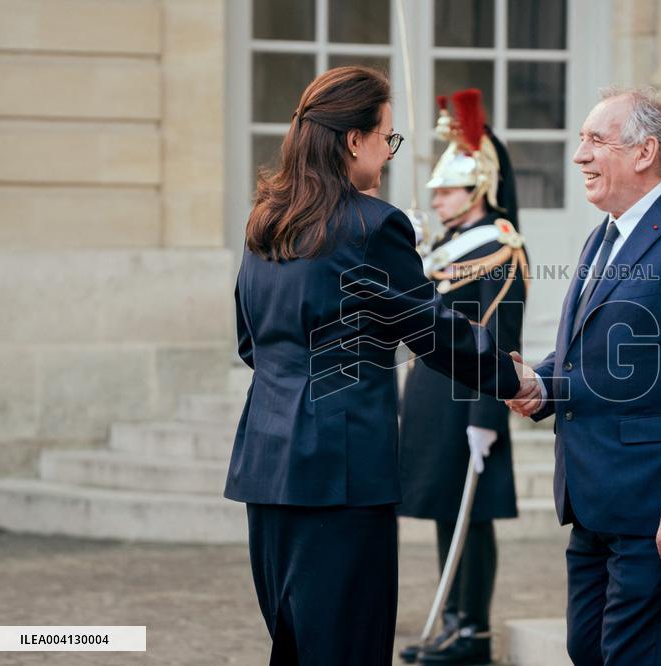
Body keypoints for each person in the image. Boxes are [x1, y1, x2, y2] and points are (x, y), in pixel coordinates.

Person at [222, 66, 536, 665]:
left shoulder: (266, 219)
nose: (390, 153)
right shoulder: (372, 225)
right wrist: (511, 377)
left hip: (266, 463)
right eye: (386, 137)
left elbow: (250, 342)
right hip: (342, 470)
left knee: (294, 645)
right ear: (353, 140)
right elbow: (431, 331)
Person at [508, 86, 661, 665]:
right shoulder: (606, 232)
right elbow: (597, 354)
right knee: (586, 648)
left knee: (632, 656)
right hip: (594, 495)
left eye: (596, 140)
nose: (579, 155)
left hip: (660, 501)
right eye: (581, 140)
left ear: (645, 152)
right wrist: (541, 385)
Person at [397, 89, 528, 666]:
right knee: (446, 513)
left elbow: (500, 339)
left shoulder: (501, 247)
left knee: (471, 519)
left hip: (467, 400)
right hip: (431, 396)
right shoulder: (445, 247)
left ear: (477, 188)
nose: (438, 198)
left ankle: (472, 630)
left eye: (447, 190)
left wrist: (487, 415)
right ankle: (452, 621)